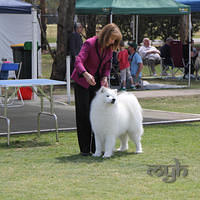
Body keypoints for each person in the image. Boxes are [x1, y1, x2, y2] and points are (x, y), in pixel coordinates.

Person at [71, 23, 122, 156]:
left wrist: (105, 77)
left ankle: (96, 148)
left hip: (97, 84)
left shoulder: (109, 49)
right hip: (82, 82)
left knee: (98, 115)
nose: (112, 42)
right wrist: (86, 74)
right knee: (84, 115)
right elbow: (78, 61)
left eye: (115, 40)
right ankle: (85, 149)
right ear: (105, 35)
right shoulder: (89, 43)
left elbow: (106, 65)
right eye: (111, 39)